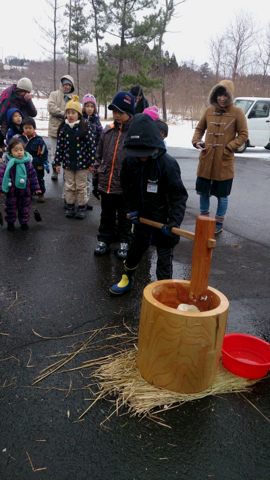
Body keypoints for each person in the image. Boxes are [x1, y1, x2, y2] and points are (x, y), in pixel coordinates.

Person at [109, 113, 188, 295]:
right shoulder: (130, 162)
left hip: (164, 223)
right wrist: (132, 209)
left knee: (164, 261)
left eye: (145, 153)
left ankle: (165, 293)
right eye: (138, 153)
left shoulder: (167, 164)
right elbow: (127, 188)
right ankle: (126, 278)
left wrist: (174, 222)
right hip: (143, 220)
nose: (142, 157)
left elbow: (178, 196)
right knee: (133, 252)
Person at [192, 79, 248, 234]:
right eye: (219, 95)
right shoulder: (209, 110)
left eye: (225, 95)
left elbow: (243, 135)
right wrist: (196, 141)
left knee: (222, 195)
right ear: (215, 95)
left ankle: (219, 222)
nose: (222, 98)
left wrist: (229, 147)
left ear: (230, 96)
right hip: (207, 158)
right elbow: (199, 128)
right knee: (203, 192)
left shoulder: (237, 112)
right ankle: (204, 219)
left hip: (224, 160)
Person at [92, 91, 134, 259]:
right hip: (106, 183)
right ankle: (104, 240)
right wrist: (96, 179)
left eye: (121, 112)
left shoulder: (134, 133)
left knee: (125, 217)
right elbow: (99, 157)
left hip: (126, 187)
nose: (117, 115)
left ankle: (125, 242)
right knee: (106, 215)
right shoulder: (107, 131)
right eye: (114, 111)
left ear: (129, 113)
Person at [53, 95, 96, 219]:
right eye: (68, 113)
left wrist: (91, 163)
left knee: (81, 186)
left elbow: (91, 147)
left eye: (73, 112)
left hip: (82, 165)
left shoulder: (84, 128)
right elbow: (59, 148)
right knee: (69, 185)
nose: (70, 115)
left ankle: (82, 206)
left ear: (79, 114)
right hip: (68, 164)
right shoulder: (63, 129)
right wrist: (57, 163)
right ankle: (70, 205)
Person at [0, 138, 41, 231]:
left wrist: (35, 189)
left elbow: (33, 177)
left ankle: (24, 222)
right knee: (10, 208)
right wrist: (1, 189)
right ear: (10, 152)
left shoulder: (28, 164)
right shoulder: (7, 164)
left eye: (21, 150)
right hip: (11, 191)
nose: (19, 152)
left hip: (25, 191)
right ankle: (10, 223)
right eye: (16, 150)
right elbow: (2, 177)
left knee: (24, 208)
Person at [47, 75, 75, 180]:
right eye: (66, 84)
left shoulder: (72, 98)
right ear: (62, 84)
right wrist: (63, 114)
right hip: (55, 128)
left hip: (68, 129)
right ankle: (54, 171)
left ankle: (65, 172)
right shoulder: (54, 95)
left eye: (69, 85)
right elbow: (51, 107)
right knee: (55, 152)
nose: (67, 87)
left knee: (67, 151)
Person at [19, 118, 49, 203]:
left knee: (39, 178)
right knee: (27, 178)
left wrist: (45, 161)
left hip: (37, 162)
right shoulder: (20, 139)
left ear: (34, 128)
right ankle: (30, 193)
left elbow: (44, 151)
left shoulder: (39, 139)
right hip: (24, 163)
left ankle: (41, 194)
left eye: (30, 128)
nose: (28, 130)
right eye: (25, 128)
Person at [82, 93, 103, 210]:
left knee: (89, 179)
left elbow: (100, 138)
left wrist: (98, 153)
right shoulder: (80, 120)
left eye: (92, 106)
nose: (89, 108)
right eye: (87, 106)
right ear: (83, 107)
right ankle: (72, 200)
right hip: (81, 154)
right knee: (79, 179)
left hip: (92, 155)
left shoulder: (97, 122)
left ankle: (86, 200)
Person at [0, 77, 37, 142]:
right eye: (25, 92)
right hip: (13, 131)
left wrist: (29, 101)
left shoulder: (26, 100)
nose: (27, 94)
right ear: (20, 90)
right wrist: (2, 136)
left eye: (28, 92)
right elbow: (5, 119)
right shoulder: (10, 99)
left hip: (24, 130)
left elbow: (34, 113)